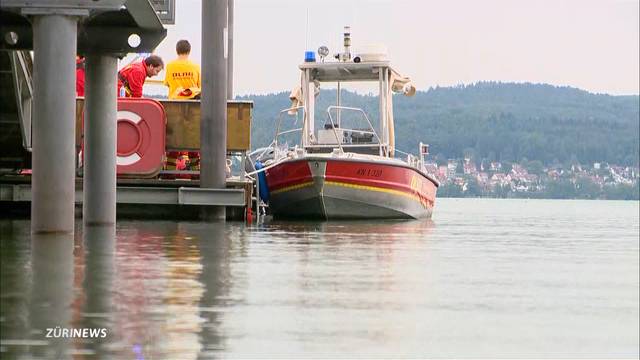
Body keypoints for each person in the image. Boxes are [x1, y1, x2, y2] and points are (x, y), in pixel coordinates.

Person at [163, 40, 202, 176]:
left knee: (174, 140)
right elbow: (199, 86)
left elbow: (167, 84)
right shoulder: (195, 67)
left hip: (174, 107)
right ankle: (195, 172)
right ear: (189, 51)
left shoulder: (170, 66)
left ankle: (169, 172)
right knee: (192, 139)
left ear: (176, 50)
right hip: (192, 108)